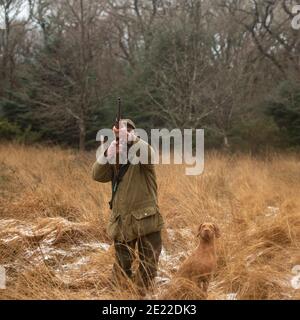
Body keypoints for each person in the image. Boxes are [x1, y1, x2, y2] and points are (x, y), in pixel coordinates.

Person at [92, 119, 164, 294]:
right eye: (119, 134)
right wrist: (108, 153)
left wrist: (132, 140)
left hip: (146, 219)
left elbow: (151, 156)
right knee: (122, 264)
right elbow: (97, 175)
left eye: (127, 132)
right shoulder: (115, 156)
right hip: (122, 220)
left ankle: (140, 294)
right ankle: (120, 294)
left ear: (133, 133)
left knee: (149, 263)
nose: (123, 137)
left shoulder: (142, 152)